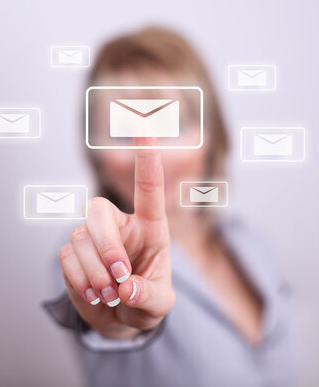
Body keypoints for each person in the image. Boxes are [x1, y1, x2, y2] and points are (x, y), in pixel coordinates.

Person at [44, 26, 297, 387]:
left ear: (211, 135)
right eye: (121, 131)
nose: (152, 154)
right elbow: (110, 326)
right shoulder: (86, 252)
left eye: (172, 124)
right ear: (95, 154)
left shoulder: (255, 244)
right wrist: (117, 319)